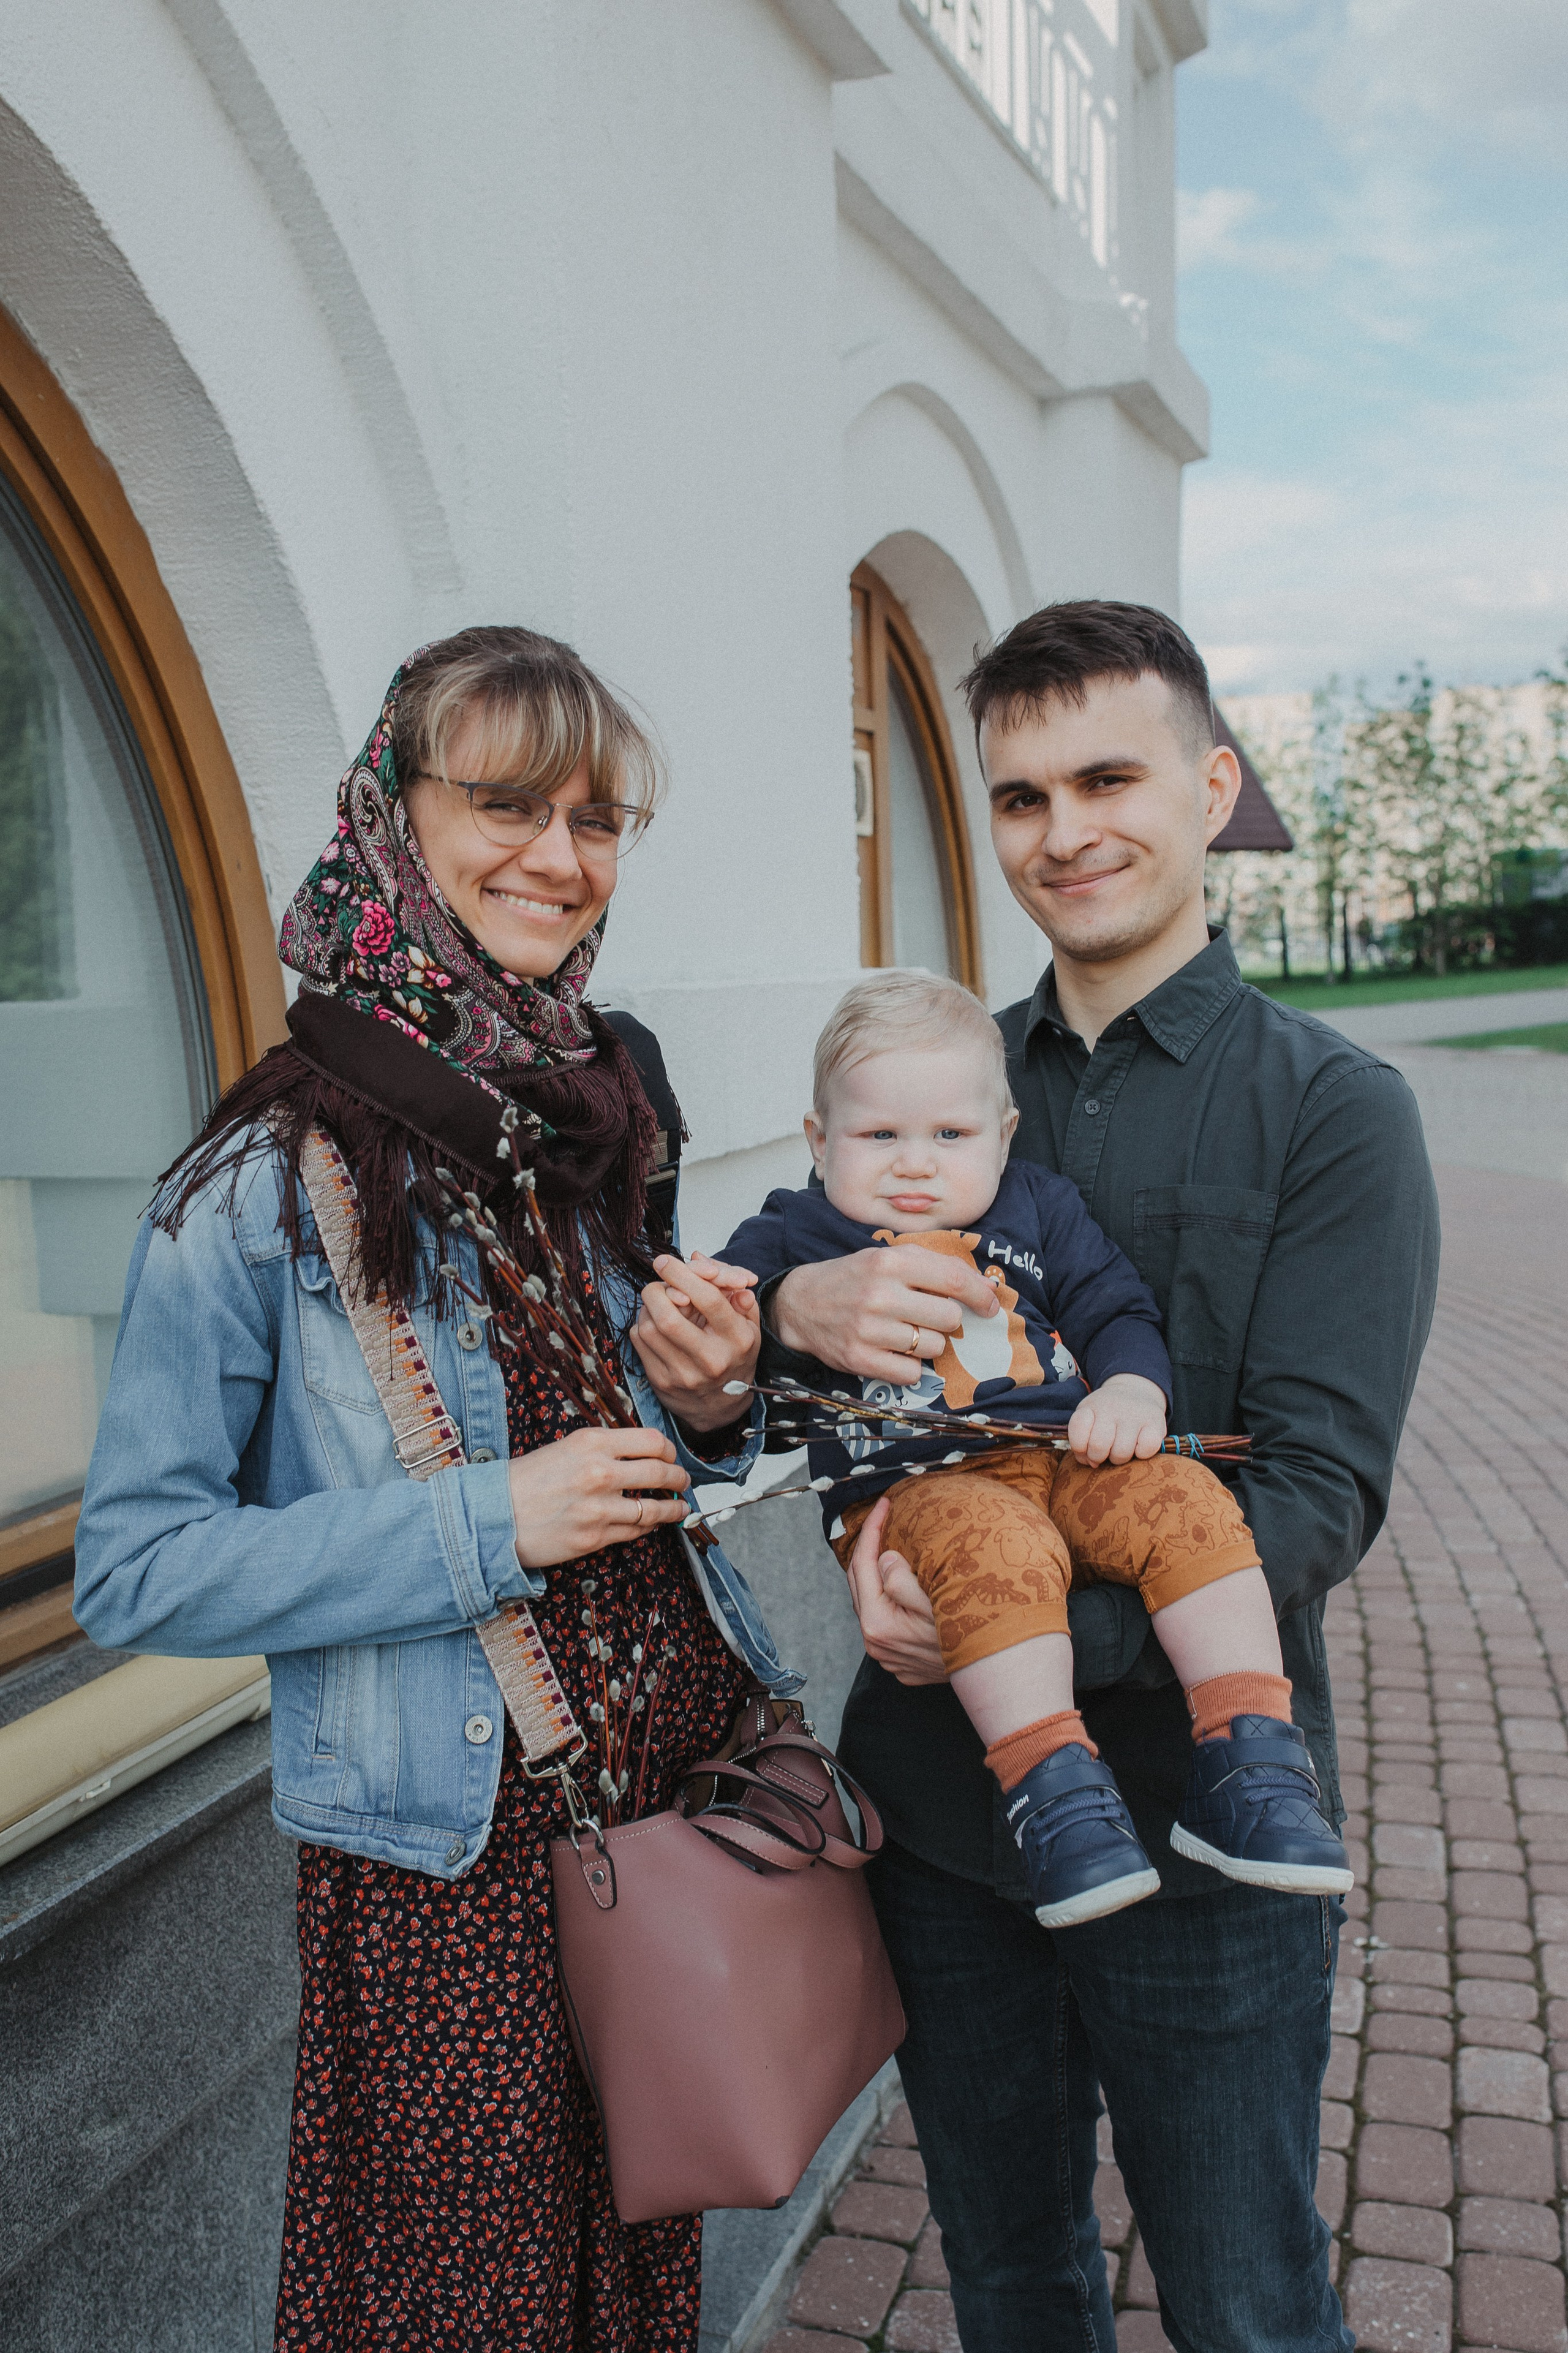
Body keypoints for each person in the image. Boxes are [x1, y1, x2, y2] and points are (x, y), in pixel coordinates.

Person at [74, 626, 786, 2353]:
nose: (562, 857)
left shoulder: (593, 1116)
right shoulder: (253, 1180)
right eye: (507, 804)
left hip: (654, 1831)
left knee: (629, 2301)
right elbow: (137, 1569)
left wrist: (708, 1408)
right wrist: (493, 1522)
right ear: (392, 814)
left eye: (597, 817)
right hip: (446, 1883)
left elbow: (628, 1455)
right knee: (460, 2314)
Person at [757, 603, 1439, 2351]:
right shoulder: (929, 1095)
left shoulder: (1332, 1109)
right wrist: (789, 1310)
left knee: (1248, 2303)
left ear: (1211, 787)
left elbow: (1316, 1490)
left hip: (1210, 1825)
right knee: (1012, 2282)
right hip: (935, 1819)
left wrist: (1012, 1635)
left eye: (1110, 776)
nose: (1067, 831)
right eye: (1021, 794)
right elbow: (746, 1386)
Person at [718, 968, 1351, 1930]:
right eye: (878, 1135)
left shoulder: (1038, 1208)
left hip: (1063, 1458)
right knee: (995, 1549)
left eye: (951, 1135)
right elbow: (721, 1320)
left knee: (1183, 1496)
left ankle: (1253, 1757)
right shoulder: (801, 1228)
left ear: (1003, 1135)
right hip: (917, 1491)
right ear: (819, 1140)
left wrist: (1134, 1386)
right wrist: (767, 1304)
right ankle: (1054, 1798)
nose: (915, 1164)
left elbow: (1114, 1308)